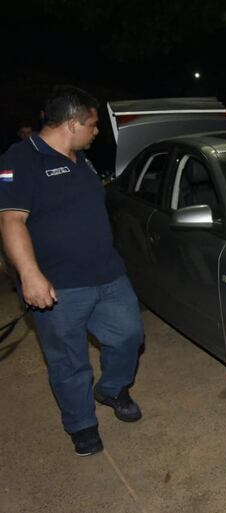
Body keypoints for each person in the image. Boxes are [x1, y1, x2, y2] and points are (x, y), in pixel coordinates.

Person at [0, 85, 144, 456]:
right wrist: (30, 274)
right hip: (59, 285)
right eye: (92, 125)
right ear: (72, 124)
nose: (96, 132)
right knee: (68, 361)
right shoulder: (22, 158)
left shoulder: (82, 159)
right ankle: (82, 425)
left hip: (108, 274)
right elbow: (11, 220)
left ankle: (111, 388)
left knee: (129, 336)